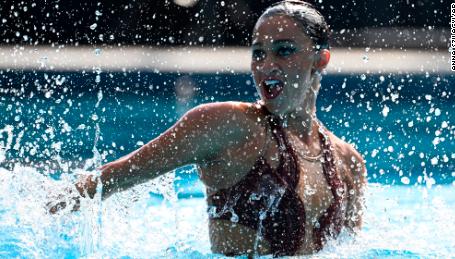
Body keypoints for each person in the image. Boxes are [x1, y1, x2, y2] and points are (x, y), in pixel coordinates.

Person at [50, 0, 367, 256]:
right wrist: (46, 210)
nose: (266, 64)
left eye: (284, 50)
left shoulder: (347, 162)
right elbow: (117, 175)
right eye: (258, 53)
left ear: (320, 59)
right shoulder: (229, 126)